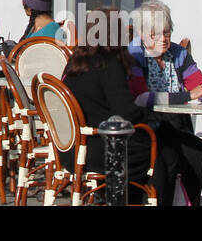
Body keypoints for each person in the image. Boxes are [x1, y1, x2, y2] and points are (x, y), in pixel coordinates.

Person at [62, 38, 179, 204]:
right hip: (102, 150)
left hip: (70, 149)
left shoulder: (74, 63)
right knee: (162, 154)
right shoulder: (108, 65)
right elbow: (126, 113)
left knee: (162, 147)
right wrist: (145, 113)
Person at [126, 0, 202, 204]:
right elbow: (142, 97)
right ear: (141, 33)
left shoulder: (178, 53)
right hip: (147, 130)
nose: (162, 39)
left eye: (166, 32)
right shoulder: (134, 53)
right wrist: (188, 96)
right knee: (168, 163)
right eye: (154, 34)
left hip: (176, 128)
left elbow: (198, 83)